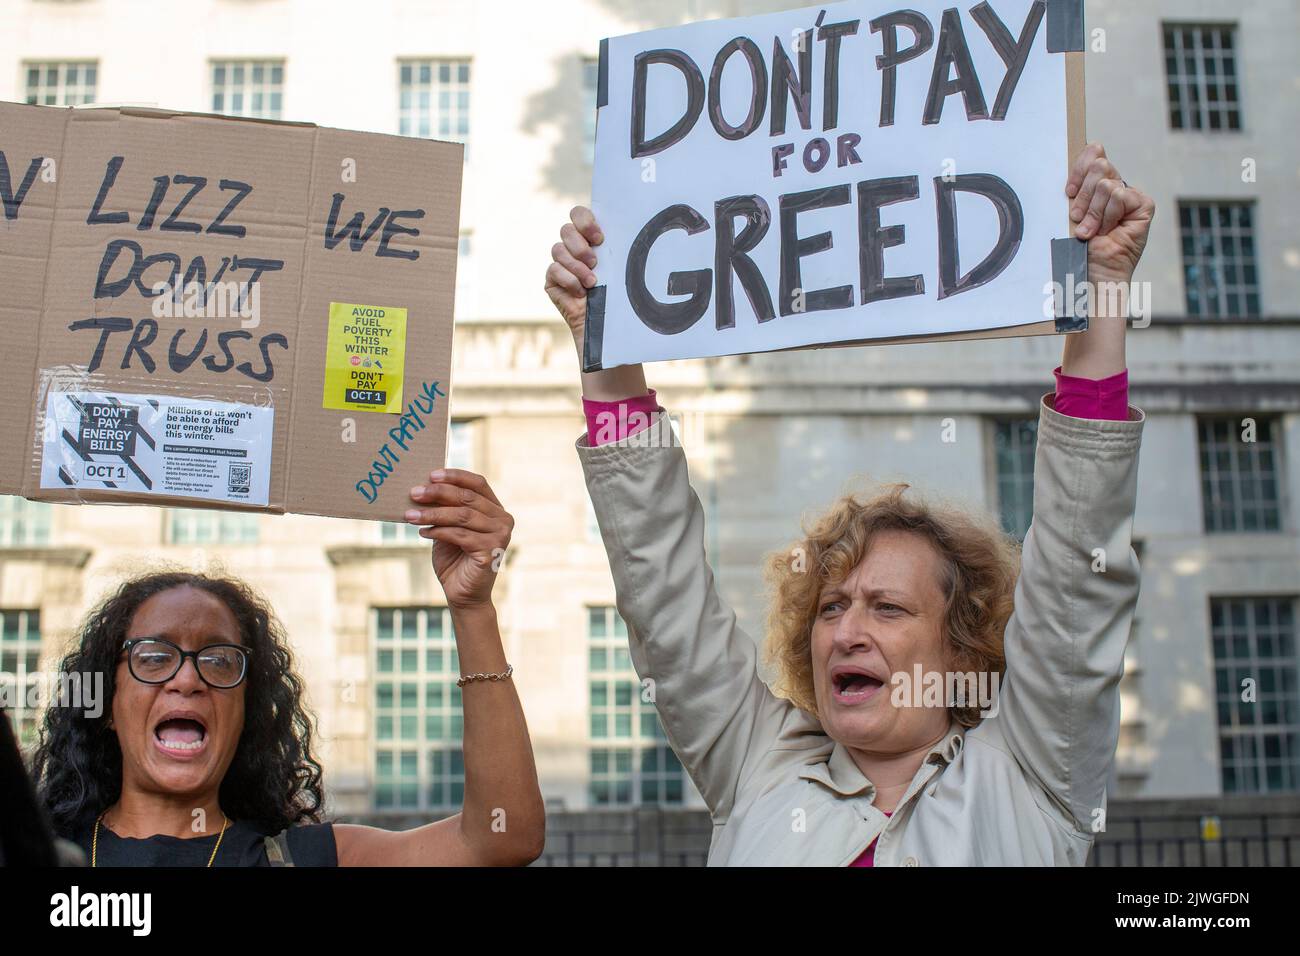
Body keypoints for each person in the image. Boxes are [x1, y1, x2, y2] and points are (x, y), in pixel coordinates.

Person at [542, 143, 1155, 865]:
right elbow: (665, 603)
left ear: (961, 647)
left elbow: (1076, 577)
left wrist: (1105, 286)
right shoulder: (758, 765)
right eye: (832, 608)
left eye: (887, 608)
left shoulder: (1032, 771)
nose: (847, 632)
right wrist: (605, 341)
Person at [33, 469, 544, 867]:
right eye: (154, 657)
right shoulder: (36, 853)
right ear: (106, 706)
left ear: (247, 711)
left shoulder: (306, 859)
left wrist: (472, 609)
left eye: (218, 660)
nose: (186, 679)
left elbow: (502, 839)